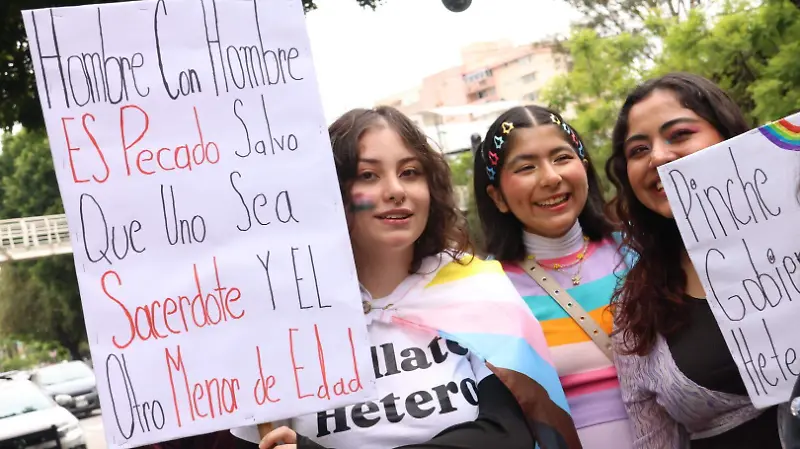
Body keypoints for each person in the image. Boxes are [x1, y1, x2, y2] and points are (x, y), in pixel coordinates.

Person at [230, 106, 582, 449]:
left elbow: (507, 434)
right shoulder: (283, 315)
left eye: (410, 172)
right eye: (368, 175)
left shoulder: (477, 287)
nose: (395, 190)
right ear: (332, 192)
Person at [606, 71, 787, 448]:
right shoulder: (636, 308)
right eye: (638, 149)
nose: (658, 156)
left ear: (727, 136)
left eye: (679, 135)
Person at [472, 104, 634, 449]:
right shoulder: (487, 293)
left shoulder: (638, 255)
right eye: (527, 166)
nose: (550, 177)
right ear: (497, 196)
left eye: (562, 157)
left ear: (584, 168)